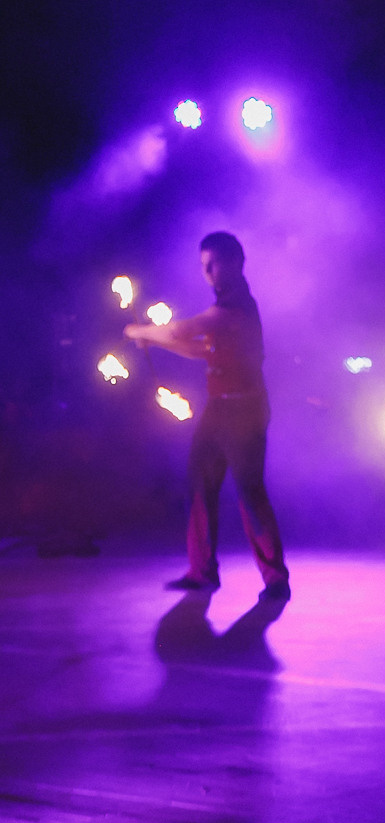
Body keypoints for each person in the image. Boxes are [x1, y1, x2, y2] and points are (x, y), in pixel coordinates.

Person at [126, 231, 289, 601]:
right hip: (218, 410)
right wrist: (155, 339)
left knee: (250, 492)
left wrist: (143, 331)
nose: (209, 272)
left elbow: (186, 329)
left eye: (214, 264)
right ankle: (201, 572)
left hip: (245, 411)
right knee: (199, 485)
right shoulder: (225, 308)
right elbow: (201, 348)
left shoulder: (238, 307)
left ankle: (276, 578)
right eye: (204, 266)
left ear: (236, 263)